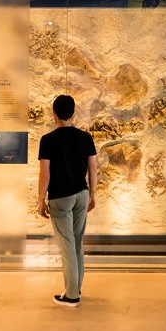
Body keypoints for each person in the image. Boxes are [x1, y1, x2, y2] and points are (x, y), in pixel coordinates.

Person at [37, 95, 98, 307]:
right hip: (81, 194)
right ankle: (76, 287)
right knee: (77, 243)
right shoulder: (85, 138)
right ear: (73, 113)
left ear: (54, 114)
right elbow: (93, 168)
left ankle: (72, 295)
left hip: (60, 197)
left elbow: (45, 174)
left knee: (67, 246)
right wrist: (92, 194)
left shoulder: (48, 140)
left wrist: (39, 199)